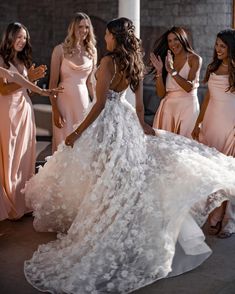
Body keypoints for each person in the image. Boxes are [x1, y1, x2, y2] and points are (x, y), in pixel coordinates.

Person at [24, 18, 235, 294]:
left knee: (107, 177)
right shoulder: (132, 62)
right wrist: (142, 125)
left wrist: (77, 134)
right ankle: (116, 224)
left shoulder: (107, 62)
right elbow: (135, 105)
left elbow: (99, 104)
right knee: (124, 177)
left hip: (108, 123)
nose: (106, 38)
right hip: (124, 121)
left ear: (114, 36)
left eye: (108, 35)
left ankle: (105, 226)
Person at [0, 22, 59, 220]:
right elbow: (4, 90)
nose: (21, 41)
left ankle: (22, 202)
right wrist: (27, 82)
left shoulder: (23, 60)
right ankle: (9, 203)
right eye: (18, 37)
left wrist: (31, 82)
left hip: (25, 110)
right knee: (9, 156)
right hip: (7, 112)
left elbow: (25, 91)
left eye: (24, 38)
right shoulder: (1, 59)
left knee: (25, 156)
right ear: (9, 37)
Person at [192, 29, 235, 239]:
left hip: (230, 123)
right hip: (211, 122)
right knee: (213, 171)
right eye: (217, 45)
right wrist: (199, 122)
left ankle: (228, 219)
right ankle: (214, 214)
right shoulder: (212, 67)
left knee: (229, 172)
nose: (218, 49)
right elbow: (208, 97)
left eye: (222, 46)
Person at [49, 12, 97, 152]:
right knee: (62, 143)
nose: (83, 30)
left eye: (87, 27)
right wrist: (55, 109)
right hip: (63, 102)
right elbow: (52, 83)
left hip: (83, 102)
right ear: (73, 28)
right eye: (80, 27)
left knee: (82, 143)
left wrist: (96, 105)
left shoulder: (92, 51)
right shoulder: (59, 50)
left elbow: (90, 83)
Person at [150, 27, 201, 138]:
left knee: (186, 146)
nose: (173, 43)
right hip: (167, 109)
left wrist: (172, 71)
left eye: (176, 39)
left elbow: (189, 87)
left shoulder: (194, 59)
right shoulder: (167, 60)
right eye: (170, 41)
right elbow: (161, 94)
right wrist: (159, 71)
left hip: (188, 108)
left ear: (183, 39)